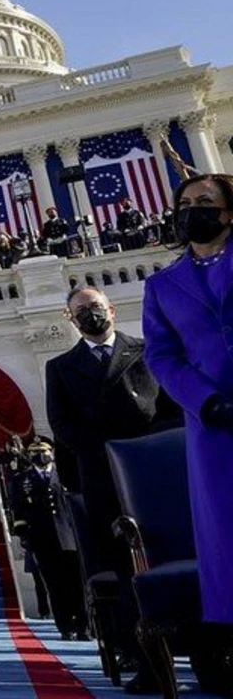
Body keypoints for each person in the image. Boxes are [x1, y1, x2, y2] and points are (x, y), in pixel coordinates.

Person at [45, 285, 178, 691]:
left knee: (175, 558)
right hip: (105, 479)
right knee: (126, 574)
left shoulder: (146, 350)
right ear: (70, 319)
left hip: (155, 476)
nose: (91, 315)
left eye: (96, 307)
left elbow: (170, 408)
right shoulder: (62, 367)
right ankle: (148, 663)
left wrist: (145, 448)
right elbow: (62, 425)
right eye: (81, 311)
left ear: (112, 309)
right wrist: (107, 449)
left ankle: (207, 654)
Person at [142, 173, 233, 627]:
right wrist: (208, 402)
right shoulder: (161, 286)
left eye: (204, 201)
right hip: (215, 425)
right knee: (227, 535)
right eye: (184, 204)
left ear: (227, 211)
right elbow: (161, 356)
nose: (192, 210)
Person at [9, 440, 87, 640]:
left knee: (76, 584)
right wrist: (25, 538)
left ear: (51, 452)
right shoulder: (21, 481)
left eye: (43, 451)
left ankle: (83, 626)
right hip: (42, 540)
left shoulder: (65, 475)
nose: (40, 455)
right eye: (35, 452)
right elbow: (18, 512)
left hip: (69, 538)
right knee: (55, 586)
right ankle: (65, 627)